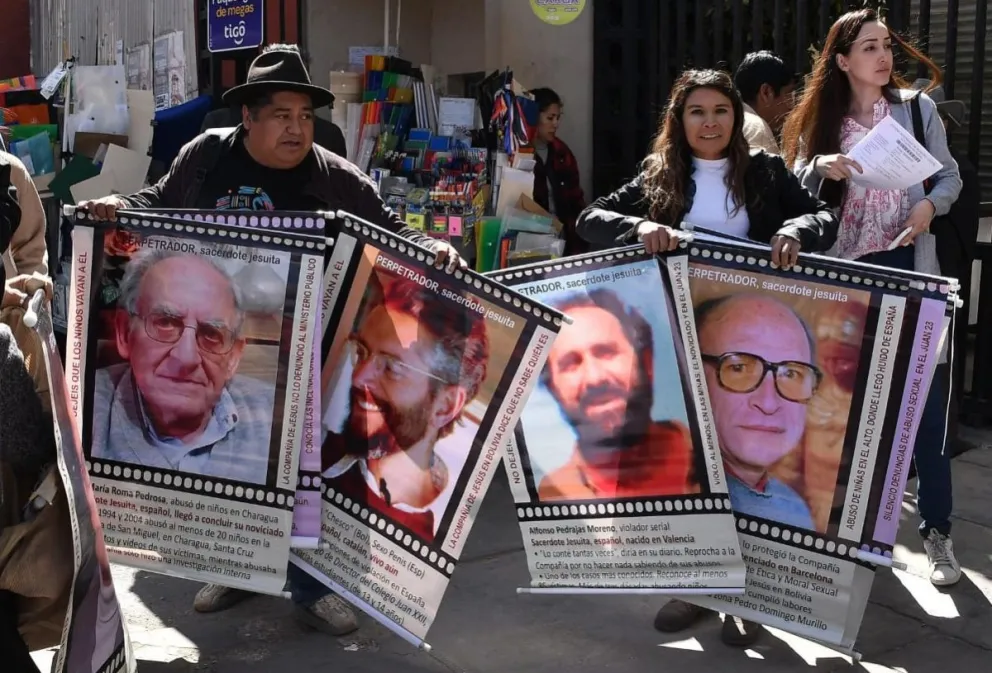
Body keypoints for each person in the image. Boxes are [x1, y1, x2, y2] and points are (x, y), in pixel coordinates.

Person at [78, 42, 466, 635]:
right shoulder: (206, 158)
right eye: (281, 115)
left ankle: (313, 589)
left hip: (311, 356)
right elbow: (157, 205)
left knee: (305, 475)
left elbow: (390, 231)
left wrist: (432, 248)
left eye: (306, 116)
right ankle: (238, 569)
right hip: (226, 351)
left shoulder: (336, 178)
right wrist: (117, 209)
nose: (297, 128)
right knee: (234, 472)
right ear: (249, 119)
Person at [782, 8, 963, 588]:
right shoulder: (822, 119)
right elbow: (792, 186)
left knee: (926, 404)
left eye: (887, 46)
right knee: (847, 407)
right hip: (843, 277)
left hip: (911, 265)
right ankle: (849, 534)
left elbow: (951, 177)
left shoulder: (917, 109)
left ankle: (937, 531)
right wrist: (819, 167)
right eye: (869, 47)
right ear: (842, 60)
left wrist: (930, 205)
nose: (883, 57)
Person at [576, 68, 837, 271]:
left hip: (752, 307)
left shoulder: (766, 169)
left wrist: (795, 232)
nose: (710, 122)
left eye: (721, 111)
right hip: (676, 312)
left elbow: (824, 217)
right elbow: (588, 219)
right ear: (681, 120)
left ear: (735, 118)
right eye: (697, 112)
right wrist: (641, 228)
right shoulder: (660, 174)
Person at [323, 272, 489, 543]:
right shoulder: (316, 452)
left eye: (393, 367)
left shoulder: (439, 535)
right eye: (361, 353)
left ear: (445, 406)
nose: (358, 377)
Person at [90, 247, 274, 485]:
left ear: (233, 357)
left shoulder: (278, 421)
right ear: (125, 334)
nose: (186, 358)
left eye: (211, 333)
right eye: (165, 323)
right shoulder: (80, 409)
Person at [536, 288, 698, 500]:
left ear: (646, 362)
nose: (595, 378)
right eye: (571, 364)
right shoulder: (550, 496)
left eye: (606, 352)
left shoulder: (721, 456)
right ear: (552, 389)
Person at [696, 294, 819, 529]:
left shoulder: (795, 511)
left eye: (791, 373)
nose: (768, 403)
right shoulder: (666, 494)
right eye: (739, 367)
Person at [528, 88, 588, 256]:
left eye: (558, 118)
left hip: (565, 239)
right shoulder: (519, 153)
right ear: (534, 117)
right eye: (550, 118)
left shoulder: (562, 152)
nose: (555, 124)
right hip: (532, 240)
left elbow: (576, 199)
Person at [733, 50, 797, 154]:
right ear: (766, 92)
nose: (793, 106)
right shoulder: (757, 128)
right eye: (789, 94)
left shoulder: (729, 120)